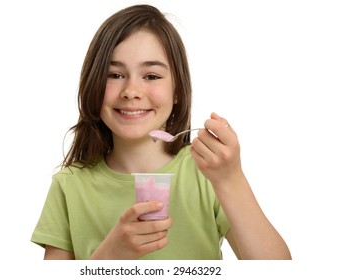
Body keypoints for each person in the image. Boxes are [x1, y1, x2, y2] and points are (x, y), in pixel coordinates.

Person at [31, 4, 291, 260]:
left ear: (177, 90)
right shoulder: (69, 186)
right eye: (114, 74)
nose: (131, 91)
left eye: (152, 76)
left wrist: (230, 179)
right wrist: (109, 258)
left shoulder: (206, 173)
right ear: (93, 85)